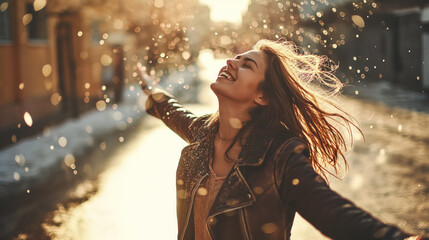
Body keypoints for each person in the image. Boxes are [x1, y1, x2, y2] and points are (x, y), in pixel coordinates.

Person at [137, 39, 427, 240]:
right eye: (236, 58)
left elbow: (332, 211)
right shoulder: (204, 134)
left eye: (247, 64)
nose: (231, 62)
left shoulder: (280, 156)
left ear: (262, 95)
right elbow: (173, 112)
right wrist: (153, 92)